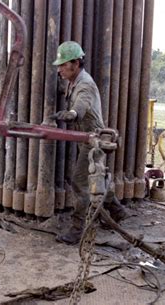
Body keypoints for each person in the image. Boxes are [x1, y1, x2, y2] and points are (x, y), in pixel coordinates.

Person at [51, 41, 128, 245]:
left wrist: (71, 114)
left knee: (79, 181)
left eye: (62, 65)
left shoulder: (84, 84)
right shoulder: (74, 80)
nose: (59, 69)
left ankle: (77, 230)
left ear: (75, 63)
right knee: (97, 177)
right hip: (86, 138)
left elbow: (81, 106)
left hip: (93, 140)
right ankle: (117, 211)